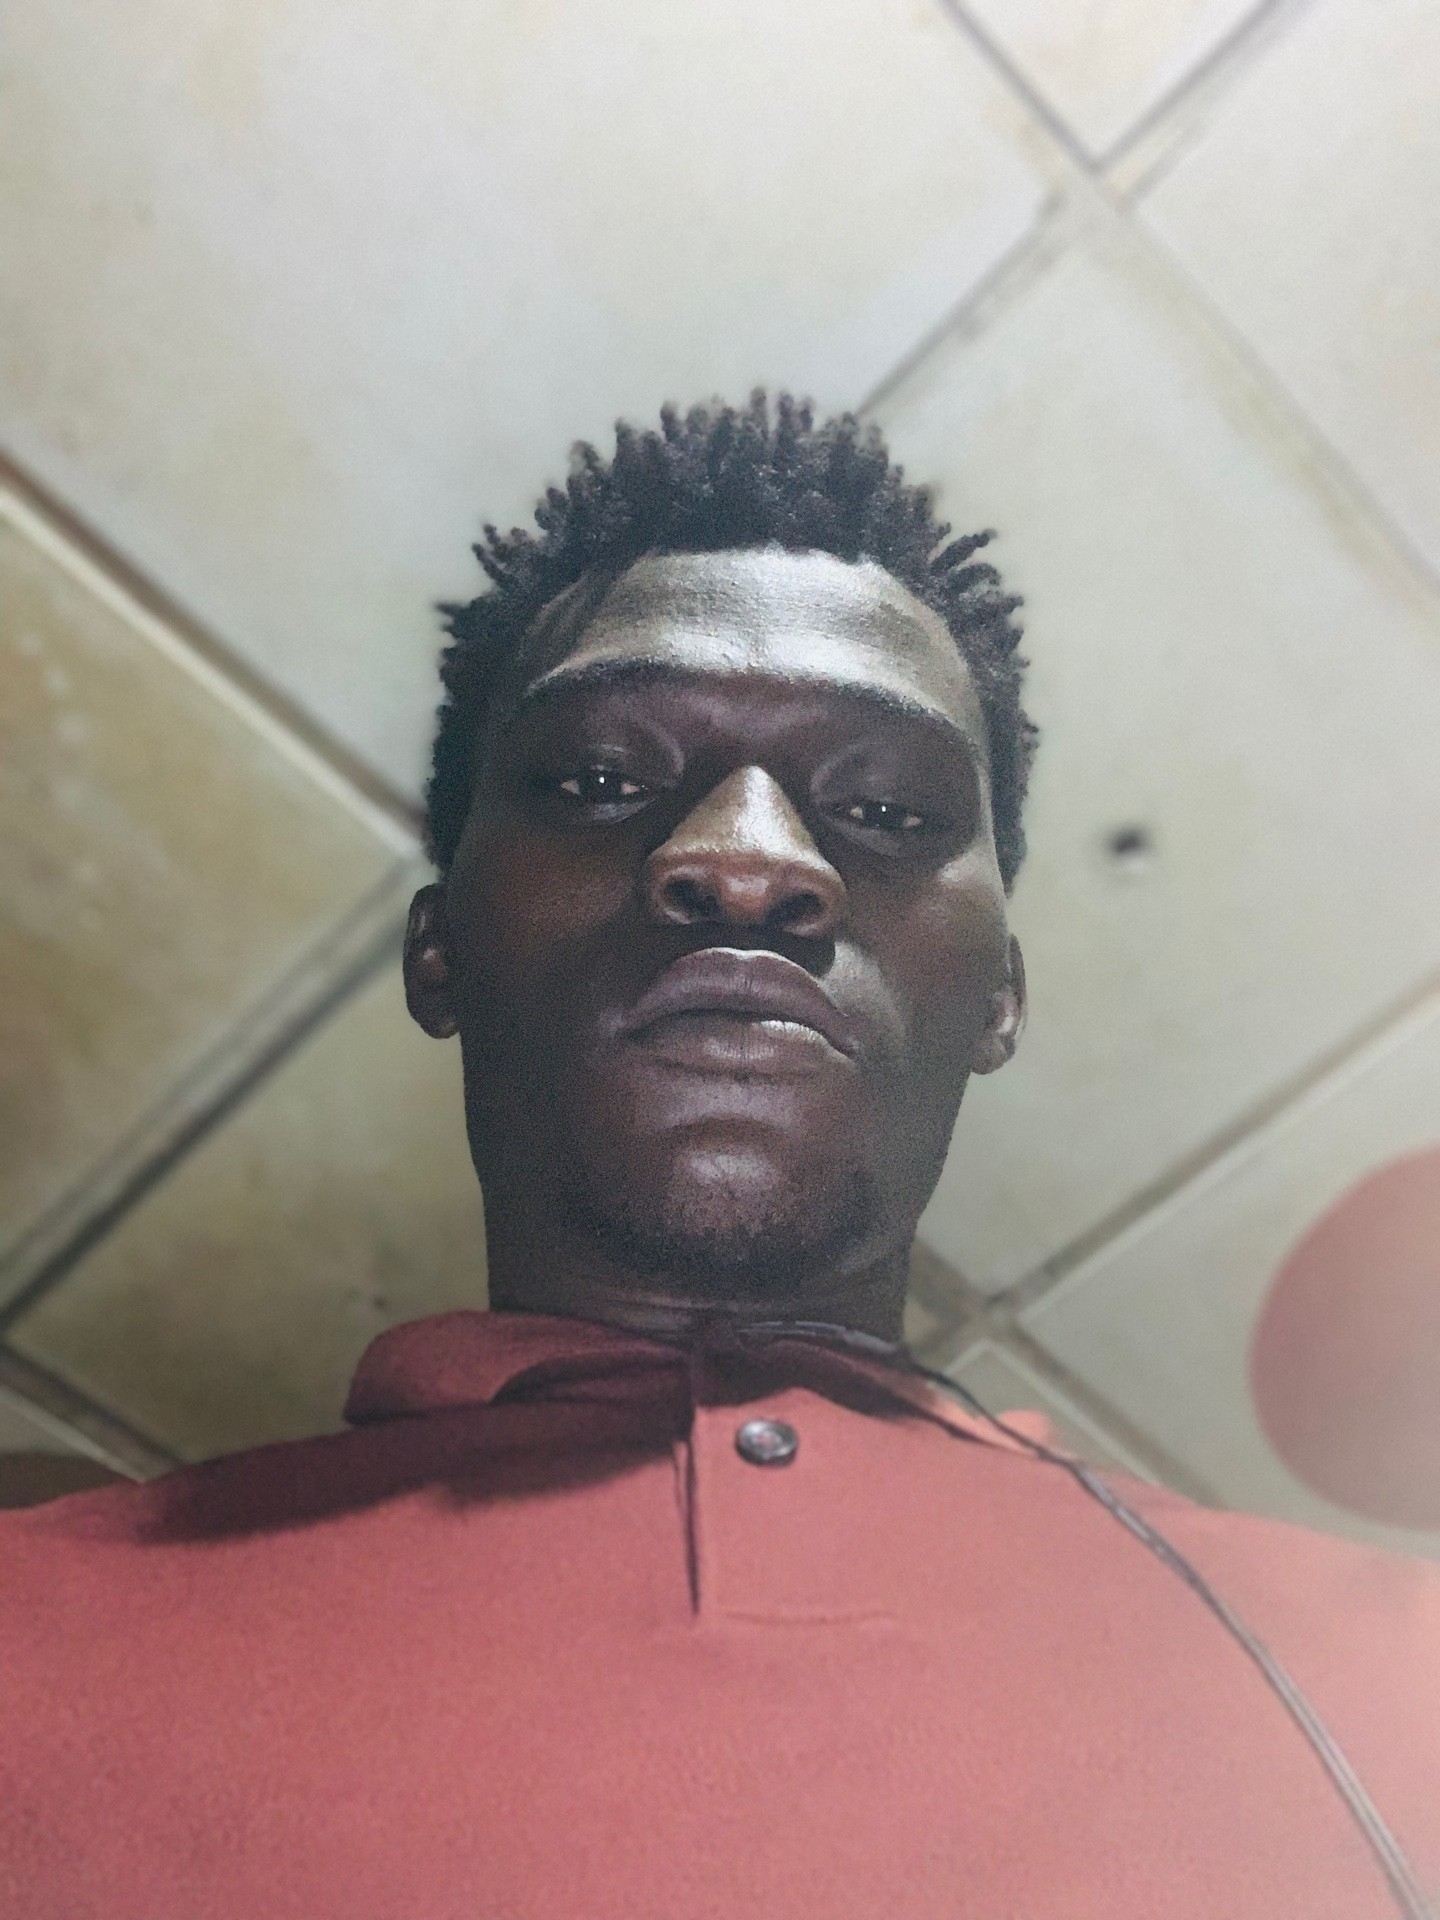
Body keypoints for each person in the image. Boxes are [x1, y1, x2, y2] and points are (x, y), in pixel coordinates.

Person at [3, 396, 1436, 1918]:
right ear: (440, 950)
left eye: (885, 808)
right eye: (597, 782)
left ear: (1000, 998)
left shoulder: (1398, 1679)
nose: (748, 858)